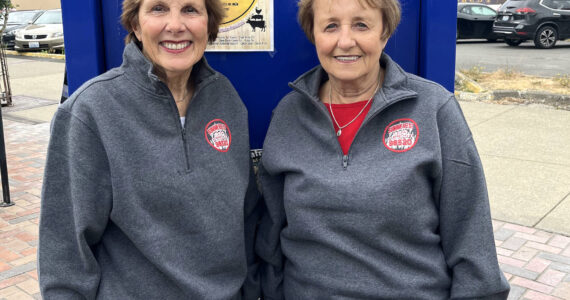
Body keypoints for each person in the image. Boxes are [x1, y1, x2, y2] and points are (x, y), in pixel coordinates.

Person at [257, 0, 510, 298]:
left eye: (361, 25)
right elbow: (270, 235)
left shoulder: (433, 108)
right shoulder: (289, 115)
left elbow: (471, 234)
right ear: (314, 34)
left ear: (385, 32)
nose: (345, 41)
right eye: (330, 26)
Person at [38, 0, 259, 298]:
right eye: (158, 8)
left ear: (209, 24)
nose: (176, 25)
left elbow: (246, 217)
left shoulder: (226, 99)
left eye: (191, 9)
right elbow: (65, 254)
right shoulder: (90, 111)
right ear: (135, 25)